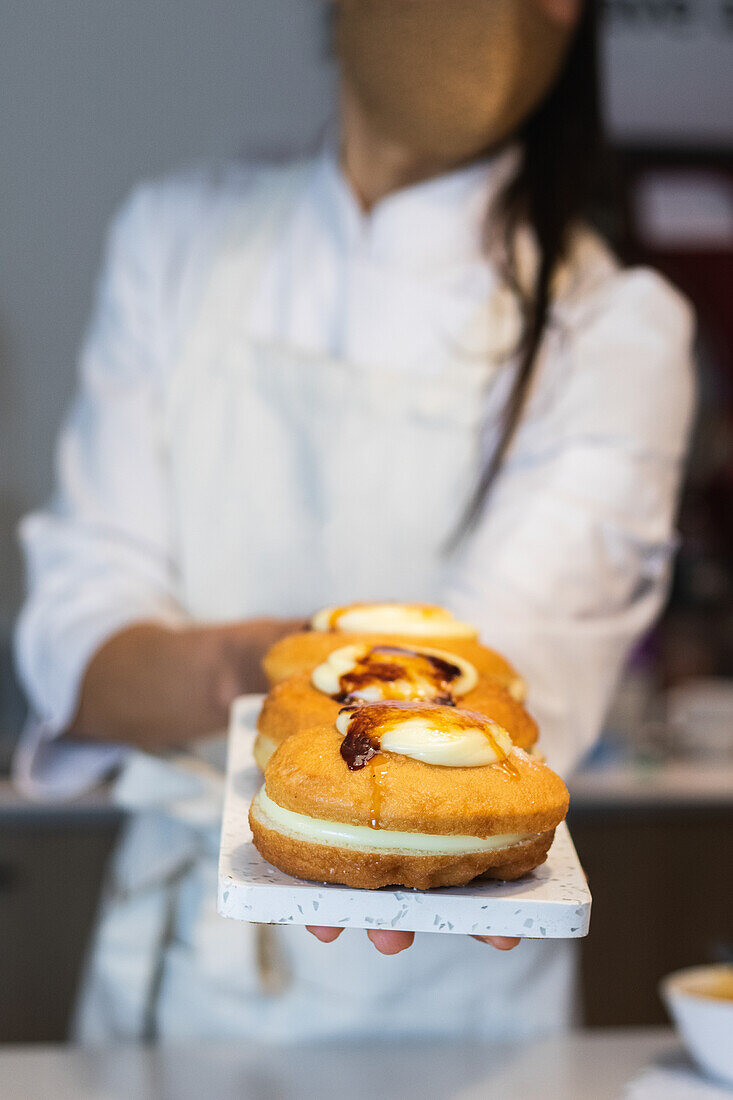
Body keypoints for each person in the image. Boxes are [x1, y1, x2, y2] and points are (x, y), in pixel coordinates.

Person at [14, 0, 695, 1041]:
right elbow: (79, 632)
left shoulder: (615, 334)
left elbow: (490, 703)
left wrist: (248, 678)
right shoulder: (179, 237)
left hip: (436, 1007)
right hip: (162, 976)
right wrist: (270, 666)